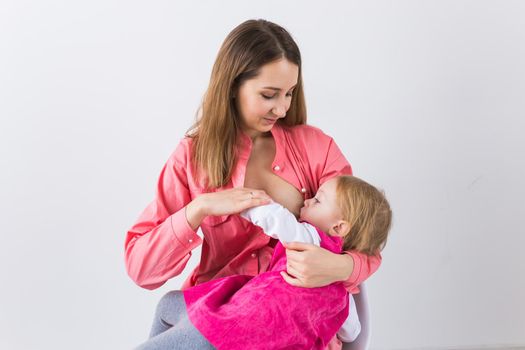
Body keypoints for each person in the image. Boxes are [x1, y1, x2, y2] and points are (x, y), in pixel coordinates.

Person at [125, 19, 381, 349]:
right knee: (169, 310)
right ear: (233, 85)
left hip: (287, 320)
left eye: (290, 93)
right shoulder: (191, 157)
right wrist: (199, 208)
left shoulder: (317, 148)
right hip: (221, 310)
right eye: (269, 95)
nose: (283, 107)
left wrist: (338, 267)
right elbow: (141, 269)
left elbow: (363, 236)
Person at [134, 175, 391, 349]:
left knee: (168, 322)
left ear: (338, 227)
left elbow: (274, 217)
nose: (308, 199)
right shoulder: (342, 298)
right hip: (253, 336)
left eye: (318, 200)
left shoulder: (309, 238)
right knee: (170, 305)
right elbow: (353, 333)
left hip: (229, 331)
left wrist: (235, 202)